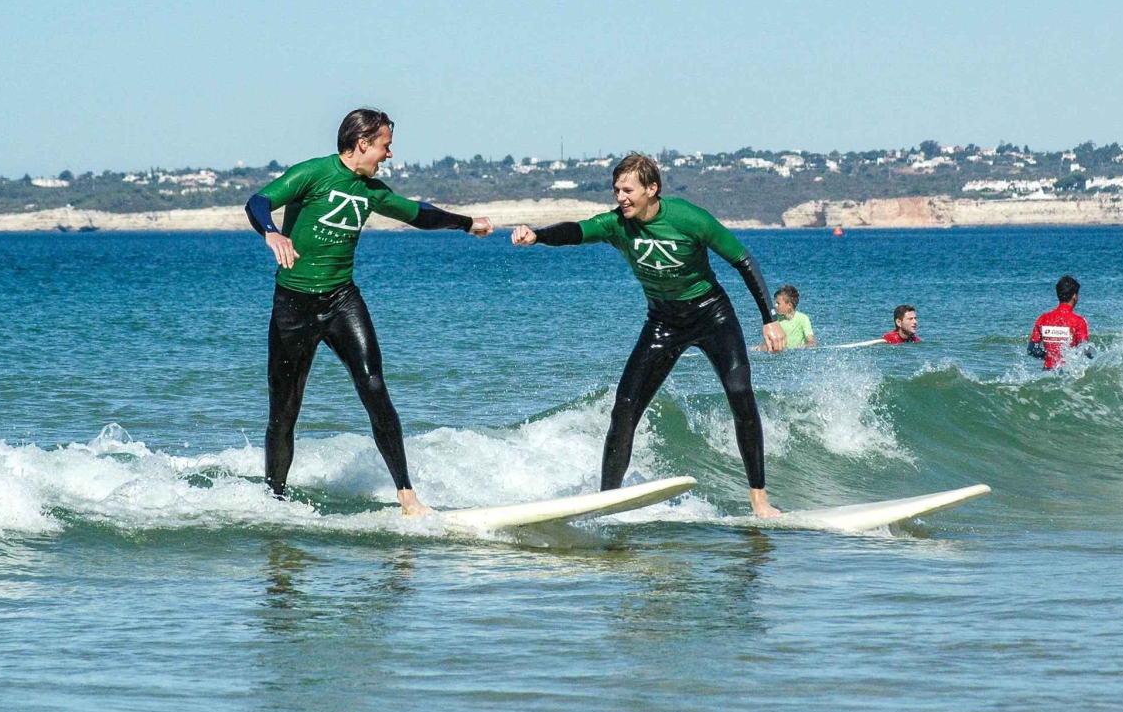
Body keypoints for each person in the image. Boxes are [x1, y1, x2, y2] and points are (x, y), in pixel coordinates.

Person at [245, 108, 493, 513]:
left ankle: (407, 496)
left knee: (374, 387)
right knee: (284, 411)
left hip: (342, 300)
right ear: (363, 143)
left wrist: (466, 224)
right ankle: (275, 500)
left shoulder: (371, 191)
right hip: (293, 306)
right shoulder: (314, 173)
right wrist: (271, 232)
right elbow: (259, 201)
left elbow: (419, 213)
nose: (389, 154)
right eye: (385, 145)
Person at [511, 154, 787, 517]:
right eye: (616, 190)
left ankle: (759, 500)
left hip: (713, 317)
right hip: (663, 322)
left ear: (651, 189)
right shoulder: (616, 225)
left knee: (741, 398)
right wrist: (538, 235)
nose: (620, 197)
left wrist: (769, 319)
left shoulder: (689, 218)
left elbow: (743, 260)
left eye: (628, 190)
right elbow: (577, 231)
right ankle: (606, 502)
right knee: (623, 410)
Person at [1028, 275, 1090, 370]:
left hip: (1047, 371)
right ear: (1074, 296)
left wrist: (1050, 357)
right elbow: (1084, 350)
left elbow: (1032, 349)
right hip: (1068, 372)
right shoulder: (1079, 321)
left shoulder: (1043, 319)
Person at [759, 284, 815, 351]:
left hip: (796, 353)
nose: (775, 305)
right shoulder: (775, 320)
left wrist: (804, 346)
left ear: (789, 305)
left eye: (778, 303)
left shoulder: (803, 319)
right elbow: (769, 343)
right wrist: (760, 348)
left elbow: (811, 341)